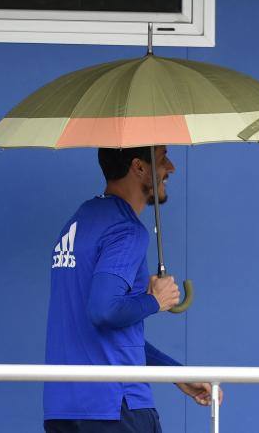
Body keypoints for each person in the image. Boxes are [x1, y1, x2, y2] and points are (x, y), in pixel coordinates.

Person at [43, 145, 223, 432]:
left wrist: (176, 373)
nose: (172, 168)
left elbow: (109, 336)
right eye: (163, 158)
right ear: (139, 167)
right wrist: (155, 300)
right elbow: (104, 311)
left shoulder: (80, 221)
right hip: (116, 408)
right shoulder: (126, 230)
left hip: (64, 410)